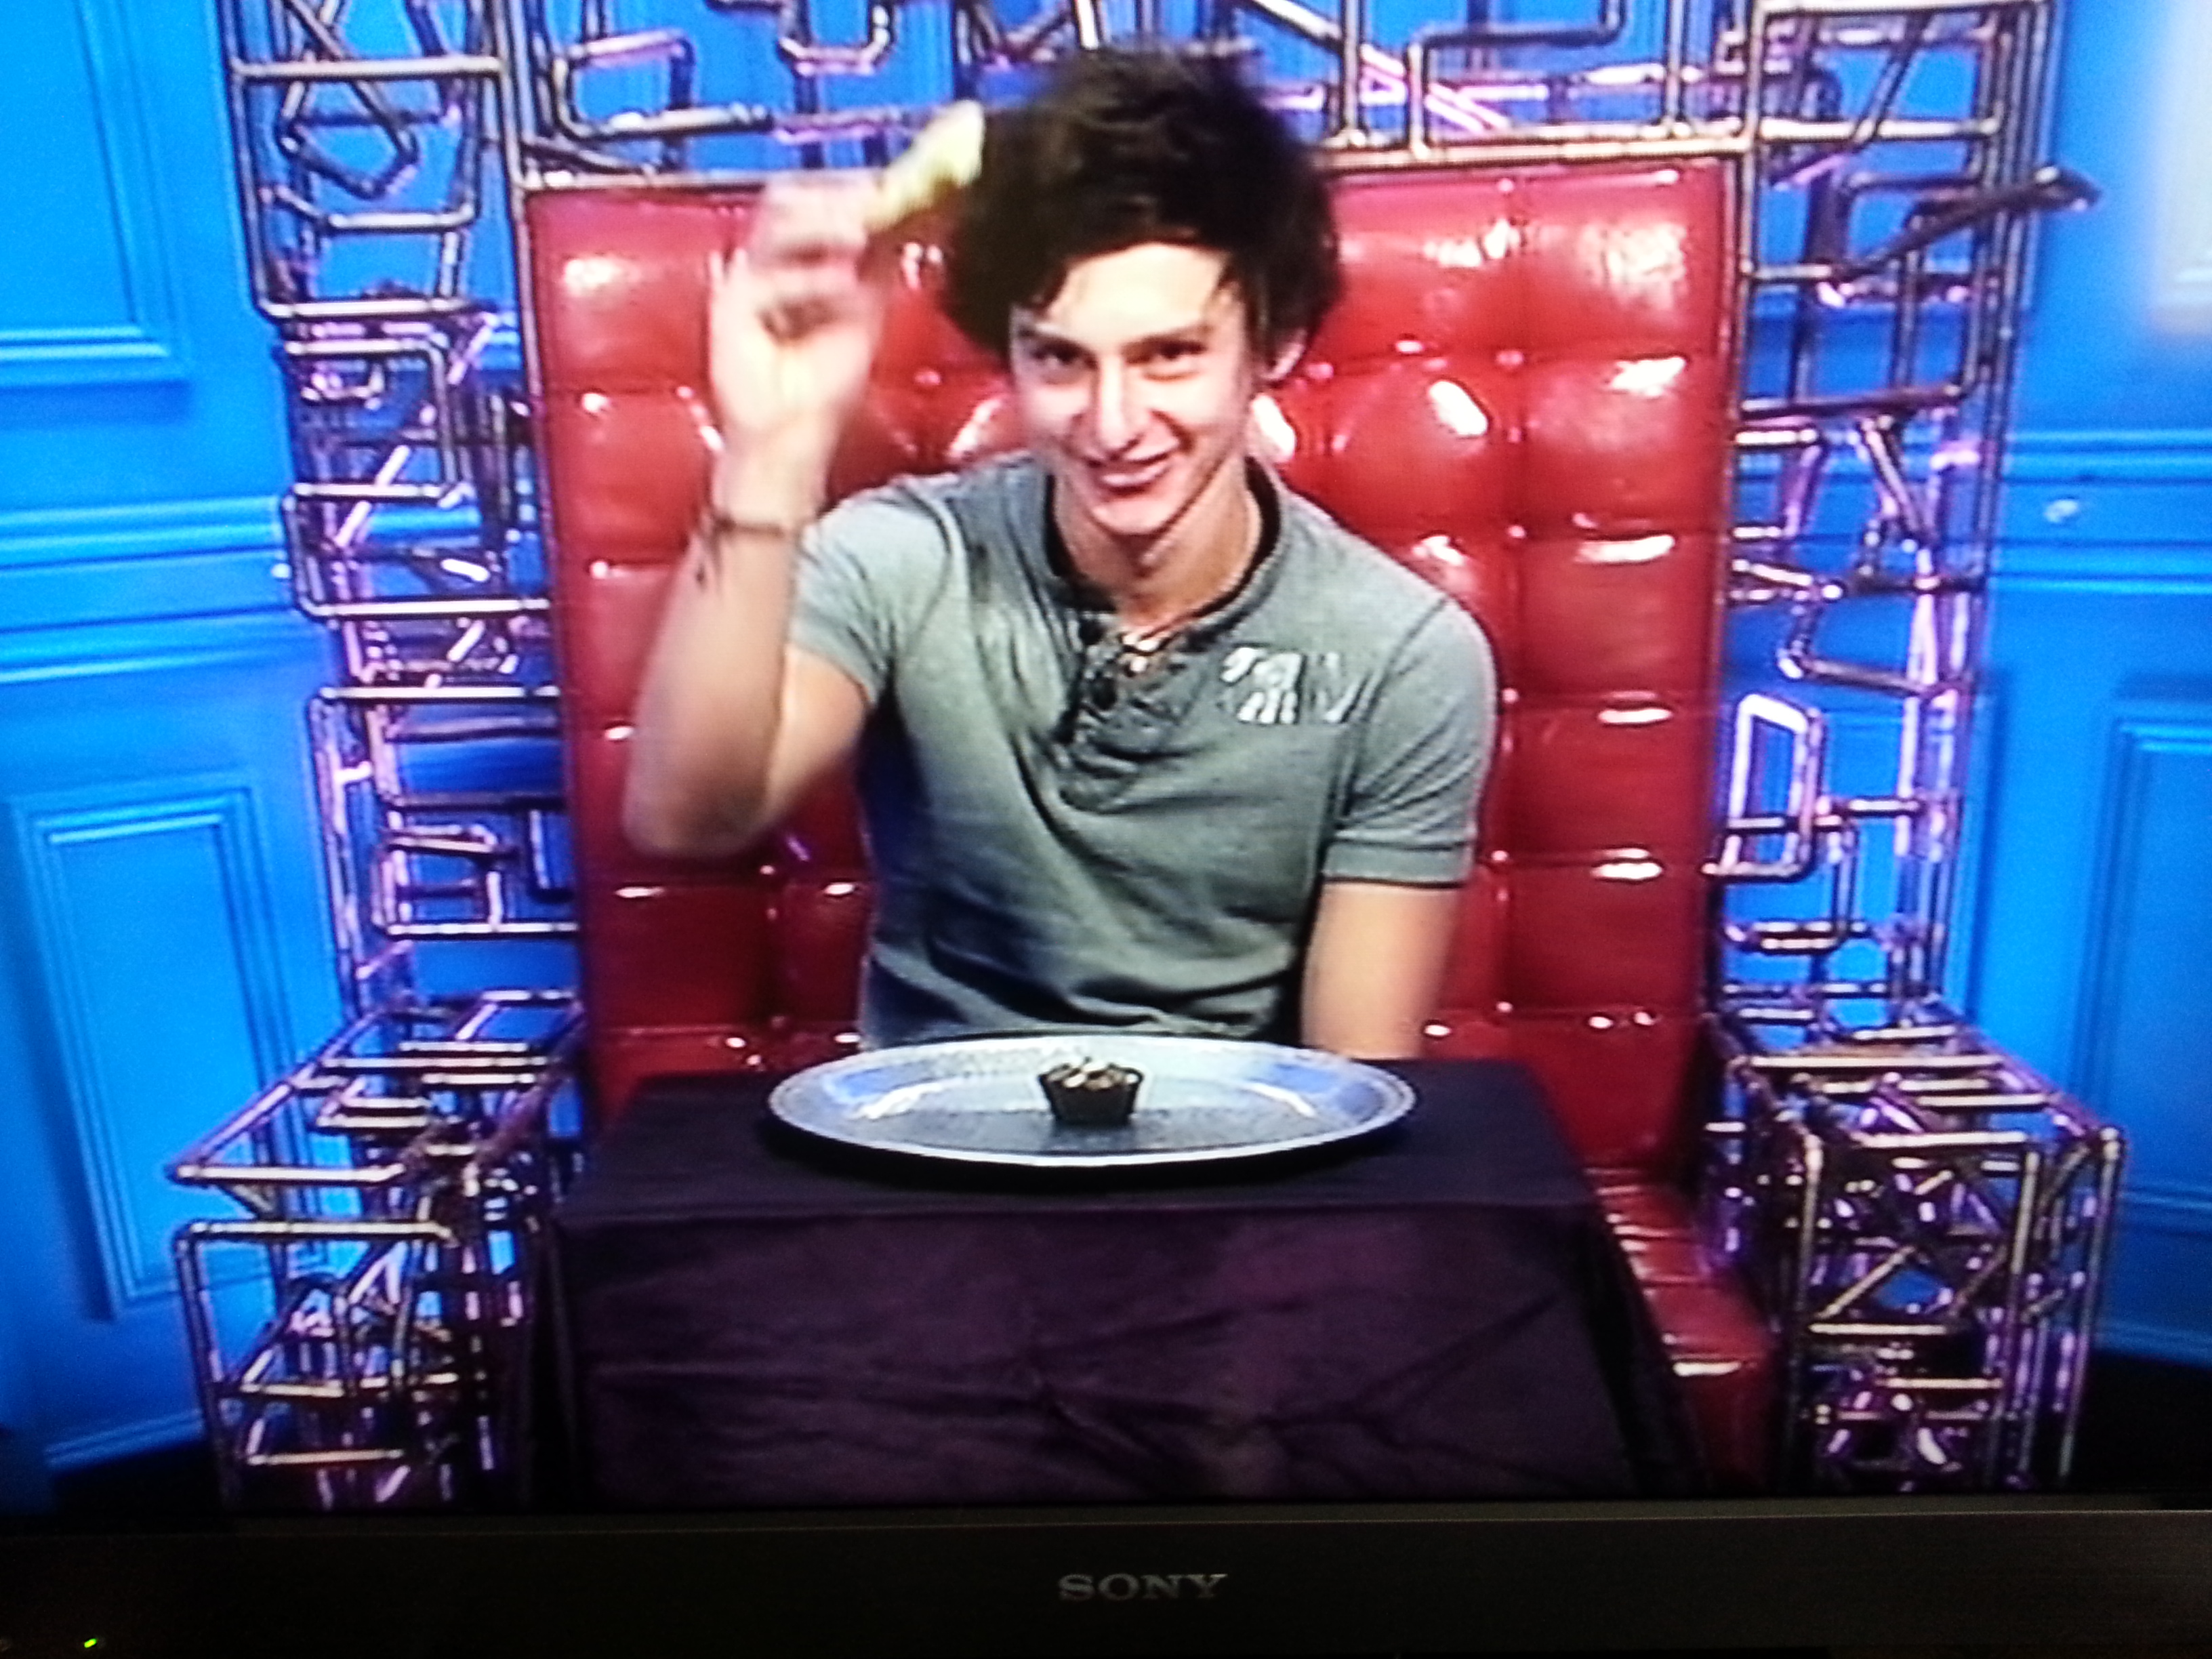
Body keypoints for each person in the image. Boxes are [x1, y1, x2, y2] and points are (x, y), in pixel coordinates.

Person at [623, 49, 1496, 1059]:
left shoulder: (1404, 655)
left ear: (1275, 344)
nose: (1113, 424)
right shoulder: (909, 554)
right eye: (1061, 359)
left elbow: (1356, 1080)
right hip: (929, 1129)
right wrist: (774, 447)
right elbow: (687, 820)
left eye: (1170, 355)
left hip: (1245, 1139)